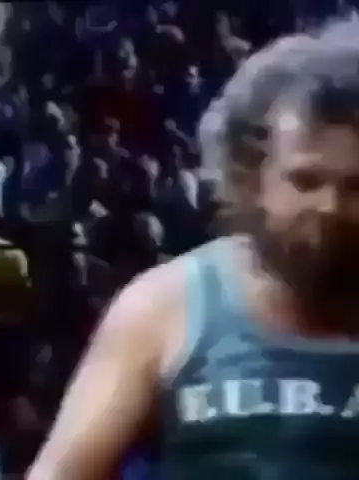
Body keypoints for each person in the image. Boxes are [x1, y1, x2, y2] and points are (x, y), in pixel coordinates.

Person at [28, 19, 359, 480]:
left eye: (357, 187)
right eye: (305, 181)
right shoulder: (167, 304)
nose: (329, 206)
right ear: (253, 177)